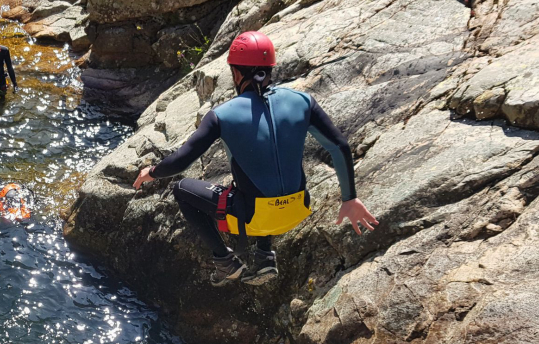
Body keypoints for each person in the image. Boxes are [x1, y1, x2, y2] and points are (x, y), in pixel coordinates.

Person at [132, 31, 378, 287]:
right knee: (265, 172)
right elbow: (339, 145)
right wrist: (350, 198)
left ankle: (224, 260)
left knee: (182, 189)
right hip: (297, 210)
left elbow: (181, 162)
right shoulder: (303, 101)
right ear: (270, 68)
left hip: (251, 218)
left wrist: (153, 171)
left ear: (236, 74)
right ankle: (263, 257)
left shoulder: (222, 115)